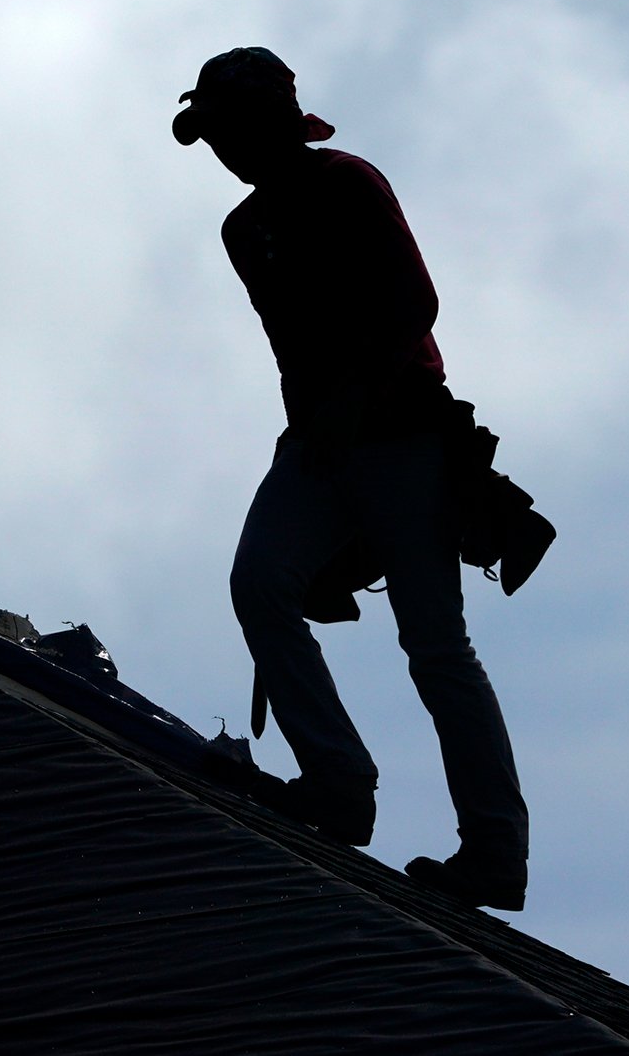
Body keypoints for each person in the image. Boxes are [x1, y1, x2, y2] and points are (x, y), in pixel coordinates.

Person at [173, 46, 529, 911]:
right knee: (259, 582)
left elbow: (414, 306)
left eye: (228, 130)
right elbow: (296, 351)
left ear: (271, 118)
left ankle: (494, 853)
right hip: (323, 447)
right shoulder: (243, 230)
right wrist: (317, 427)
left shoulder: (347, 183)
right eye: (213, 136)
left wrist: (349, 407)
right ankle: (337, 778)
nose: (222, 150)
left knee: (437, 649)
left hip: (402, 435)